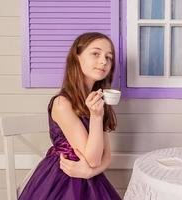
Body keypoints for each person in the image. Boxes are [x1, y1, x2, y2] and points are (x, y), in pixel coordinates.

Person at [18, 32, 121, 200]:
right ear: (77, 58)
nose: (104, 61)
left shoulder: (98, 101)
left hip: (88, 176)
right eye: (95, 53)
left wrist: (90, 172)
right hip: (62, 179)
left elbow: (105, 156)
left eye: (109, 57)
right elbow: (92, 159)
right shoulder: (62, 104)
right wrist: (95, 117)